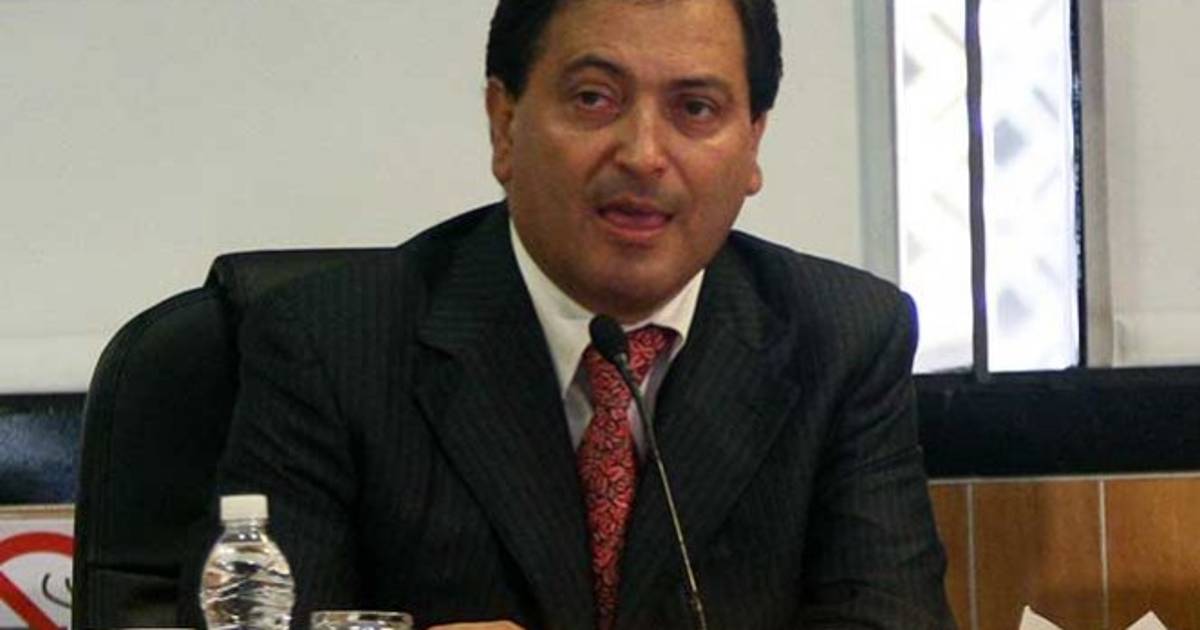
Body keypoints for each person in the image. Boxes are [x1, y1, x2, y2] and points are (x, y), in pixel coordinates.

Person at [186, 0, 955, 628]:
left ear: (753, 142)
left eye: (695, 108)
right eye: (594, 98)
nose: (643, 154)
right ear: (503, 122)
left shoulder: (842, 340)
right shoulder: (330, 344)